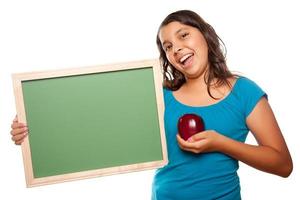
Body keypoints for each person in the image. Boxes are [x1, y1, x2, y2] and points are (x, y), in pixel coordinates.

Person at [10, 10, 293, 200]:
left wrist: (221, 143)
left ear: (205, 35)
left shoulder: (244, 92)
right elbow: (92, 124)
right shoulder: (159, 95)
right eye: (167, 46)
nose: (176, 48)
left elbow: (282, 164)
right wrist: (34, 126)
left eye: (183, 35)